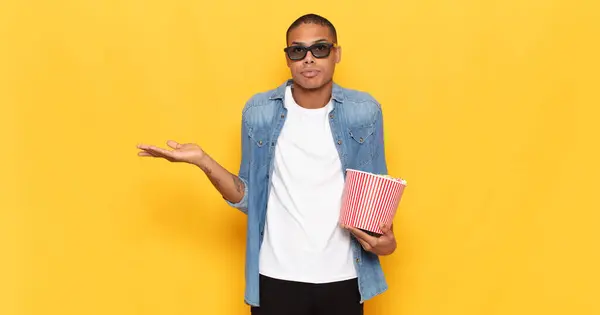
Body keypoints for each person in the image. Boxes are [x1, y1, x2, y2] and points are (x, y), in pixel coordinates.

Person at [137, 13, 397, 315]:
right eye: (298, 51)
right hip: (275, 278)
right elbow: (248, 197)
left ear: (336, 53)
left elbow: (376, 198)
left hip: (345, 279)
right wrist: (202, 161)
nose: (309, 59)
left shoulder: (364, 112)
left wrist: (385, 243)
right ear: (288, 58)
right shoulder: (259, 113)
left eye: (320, 48)